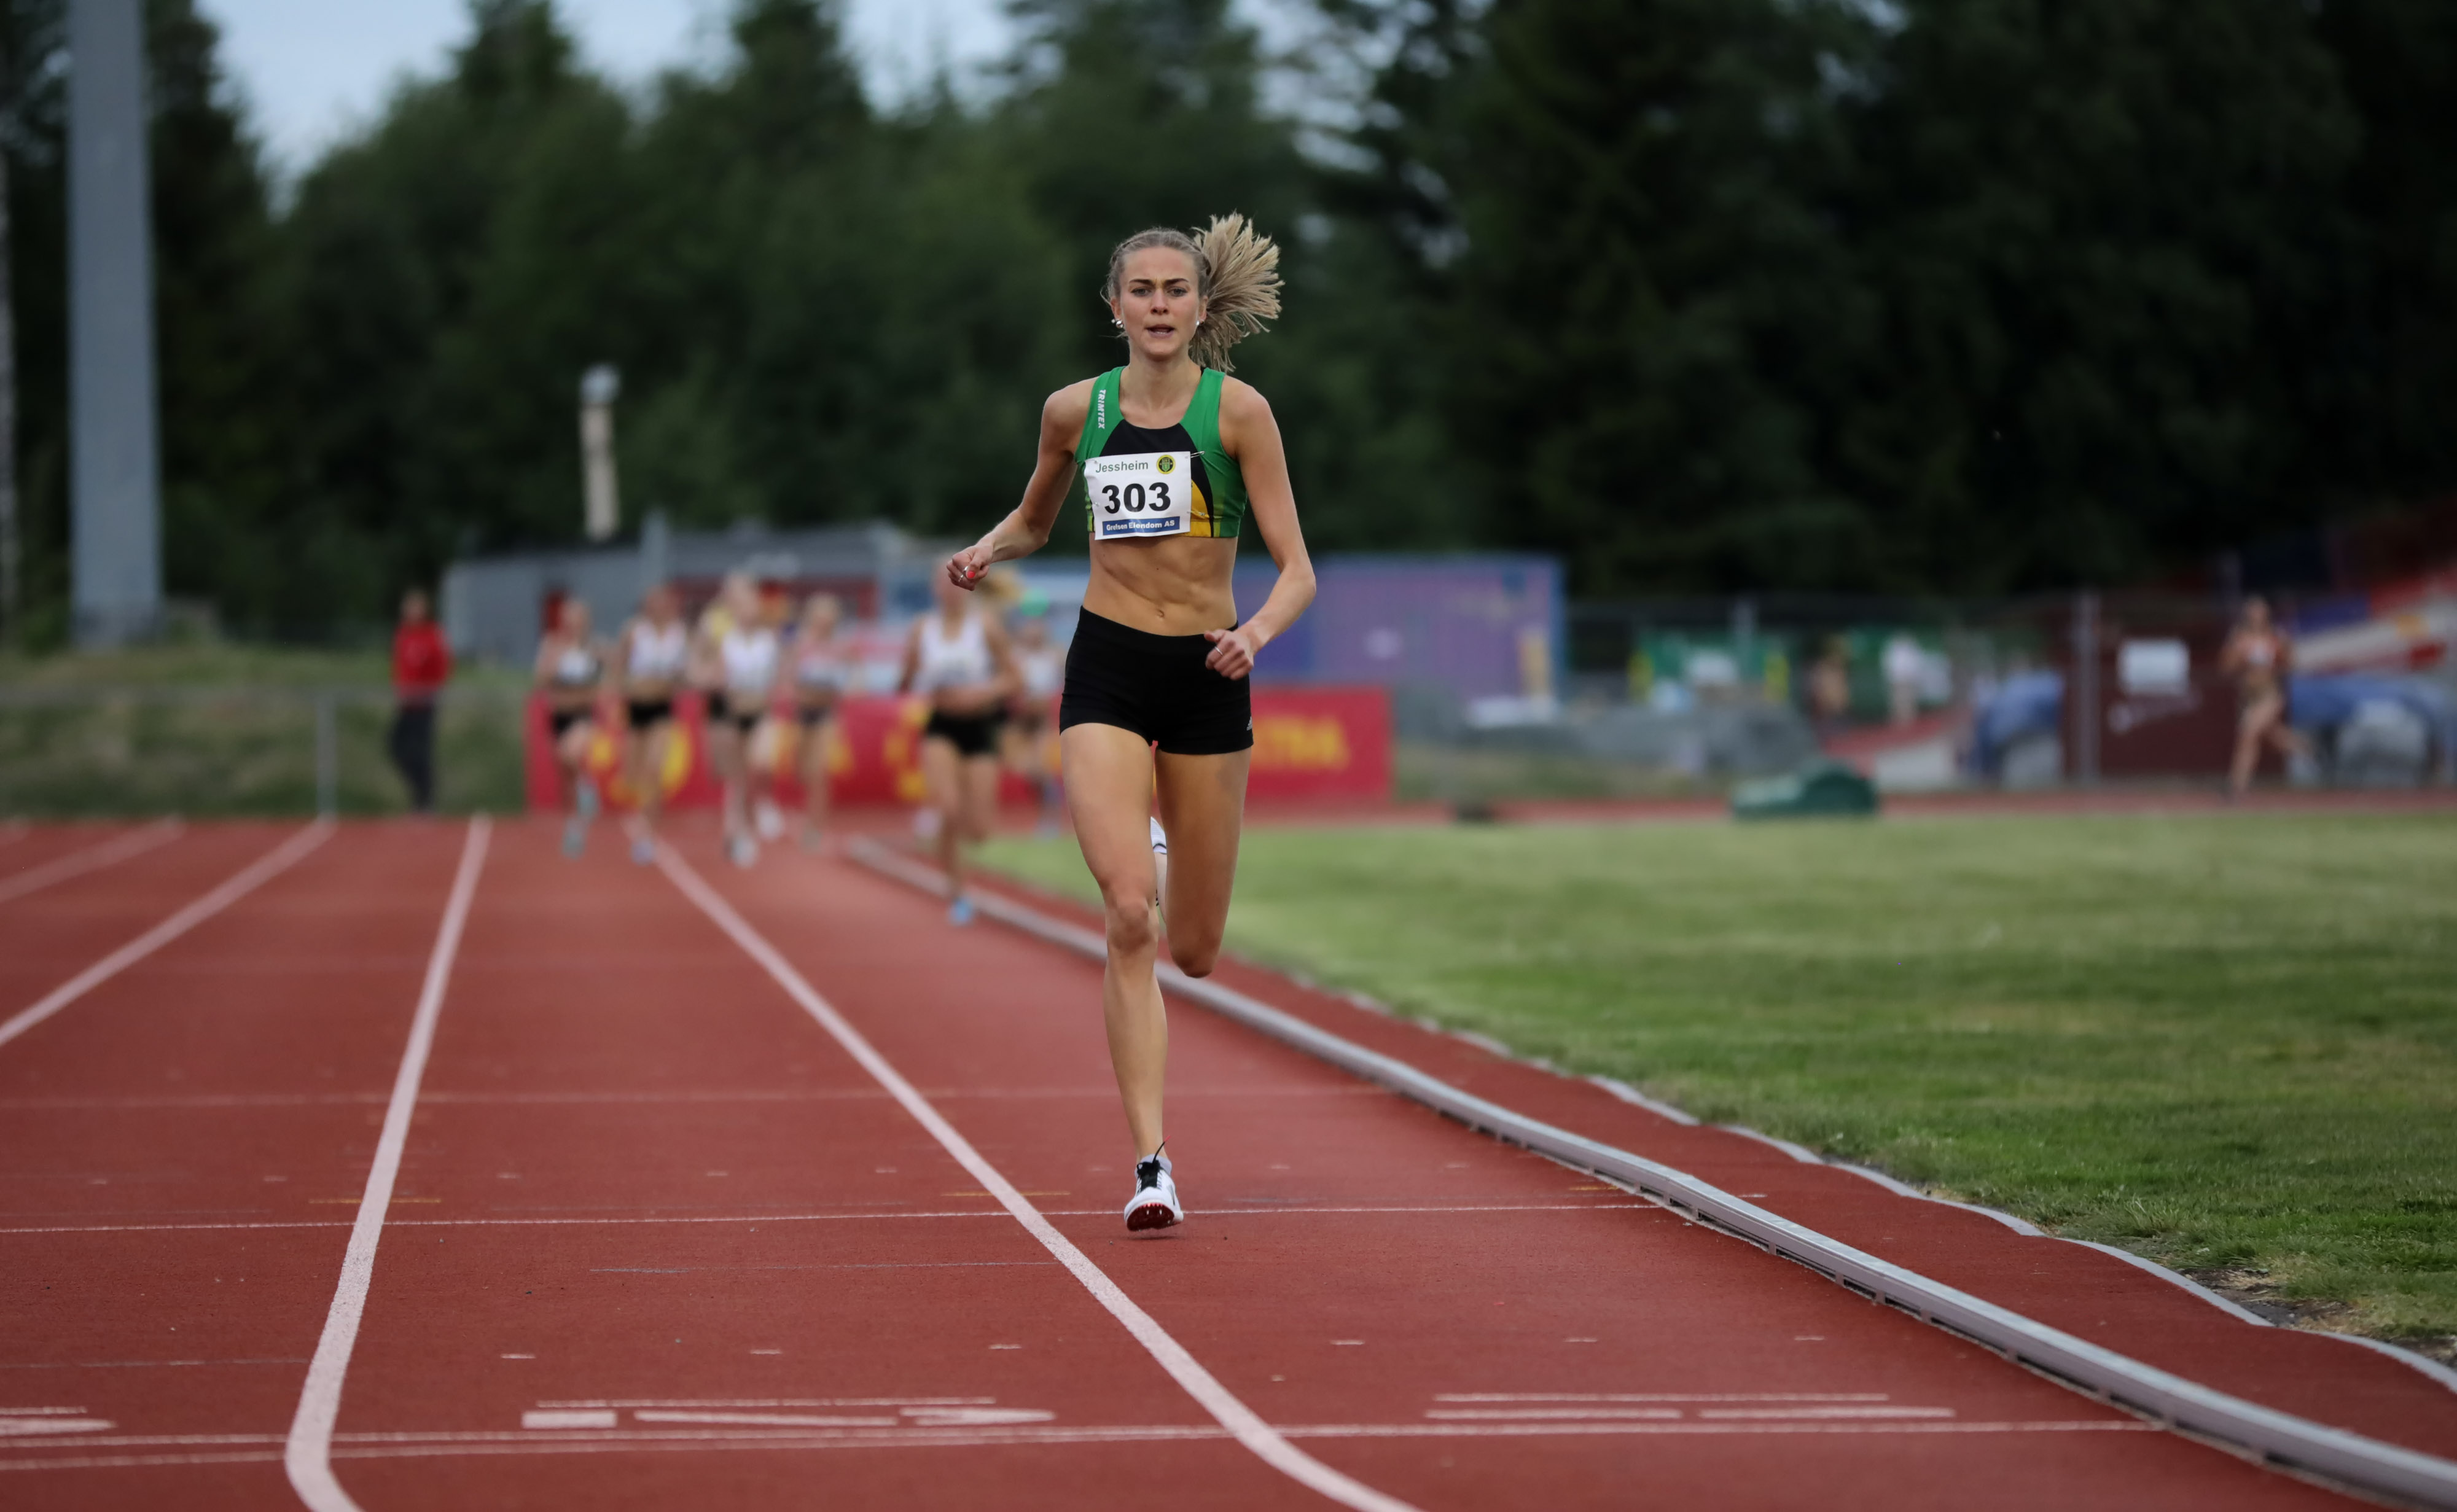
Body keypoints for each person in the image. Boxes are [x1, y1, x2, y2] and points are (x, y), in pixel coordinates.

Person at [942, 214, 1313, 1233]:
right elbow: (1034, 519)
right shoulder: (1075, 410)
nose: (1157, 305)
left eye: (1173, 290)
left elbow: (1297, 570)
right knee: (1126, 912)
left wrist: (1257, 636)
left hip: (1206, 670)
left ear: (1200, 307)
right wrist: (983, 553)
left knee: (1193, 946)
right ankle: (1152, 1162)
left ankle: (1155, 845)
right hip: (1106, 665)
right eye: (1140, 290)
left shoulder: (1240, 414)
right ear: (1114, 307)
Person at [900, 571, 1020, 922]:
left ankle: (946, 841)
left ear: (968, 588)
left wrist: (982, 693)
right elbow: (905, 681)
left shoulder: (985, 626)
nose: (949, 591)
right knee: (949, 808)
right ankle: (958, 892)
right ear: (934, 589)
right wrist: (910, 676)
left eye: (955, 584)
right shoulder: (923, 629)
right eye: (941, 584)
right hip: (942, 727)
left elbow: (1015, 678)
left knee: (980, 830)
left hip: (981, 728)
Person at [695, 573, 785, 868]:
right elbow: (697, 669)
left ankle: (764, 803)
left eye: (748, 598)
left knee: (761, 762)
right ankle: (739, 833)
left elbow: (781, 672)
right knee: (737, 780)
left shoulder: (769, 633)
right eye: (735, 597)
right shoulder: (715, 628)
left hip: (758, 711)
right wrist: (711, 677)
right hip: (727, 713)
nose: (743, 604)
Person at [615, 583, 690, 865]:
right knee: (633, 775)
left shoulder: (678, 634)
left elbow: (685, 671)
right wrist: (627, 688)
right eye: (653, 603)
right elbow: (619, 668)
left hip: (662, 708)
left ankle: (648, 834)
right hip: (637, 708)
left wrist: (677, 678)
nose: (658, 607)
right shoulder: (634, 631)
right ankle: (640, 820)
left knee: (655, 769)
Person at [533, 597, 607, 857]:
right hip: (559, 716)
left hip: (583, 715)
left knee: (570, 753)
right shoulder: (552, 645)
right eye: (568, 619)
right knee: (565, 779)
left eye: (577, 619)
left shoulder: (594, 649)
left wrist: (581, 687)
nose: (572, 624)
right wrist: (556, 669)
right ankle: (574, 830)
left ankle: (588, 785)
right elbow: (541, 679)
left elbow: (600, 685)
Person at [2221, 595, 2309, 798]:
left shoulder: (2276, 636)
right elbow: (2226, 667)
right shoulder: (2239, 637)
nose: (2255, 616)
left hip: (2270, 694)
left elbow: (2289, 664)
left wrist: (2281, 652)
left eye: (2259, 611)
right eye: (2252, 612)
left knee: (2248, 735)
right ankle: (2308, 749)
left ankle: (2236, 787)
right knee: (2273, 738)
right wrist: (2238, 653)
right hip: (2249, 698)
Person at [787, 593, 852, 852]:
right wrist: (798, 693)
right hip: (803, 714)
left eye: (829, 619)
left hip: (827, 714)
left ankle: (814, 828)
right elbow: (789, 679)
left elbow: (855, 677)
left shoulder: (841, 647)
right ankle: (804, 813)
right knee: (803, 771)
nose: (824, 624)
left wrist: (850, 687)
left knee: (819, 772)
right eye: (819, 619)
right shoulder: (801, 643)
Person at [1003, 594, 1068, 835]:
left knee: (1041, 770)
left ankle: (1049, 819)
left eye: (1038, 624)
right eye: (1029, 624)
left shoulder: (1055, 655)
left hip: (1042, 721)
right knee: (1027, 771)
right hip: (1019, 722)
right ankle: (1045, 808)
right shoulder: (1015, 655)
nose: (1034, 629)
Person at [388, 588, 451, 814]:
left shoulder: (432, 634)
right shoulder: (403, 634)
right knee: (396, 747)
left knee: (421, 751)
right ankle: (419, 794)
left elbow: (442, 666)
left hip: (424, 703)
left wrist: (432, 690)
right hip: (406, 704)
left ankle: (425, 800)